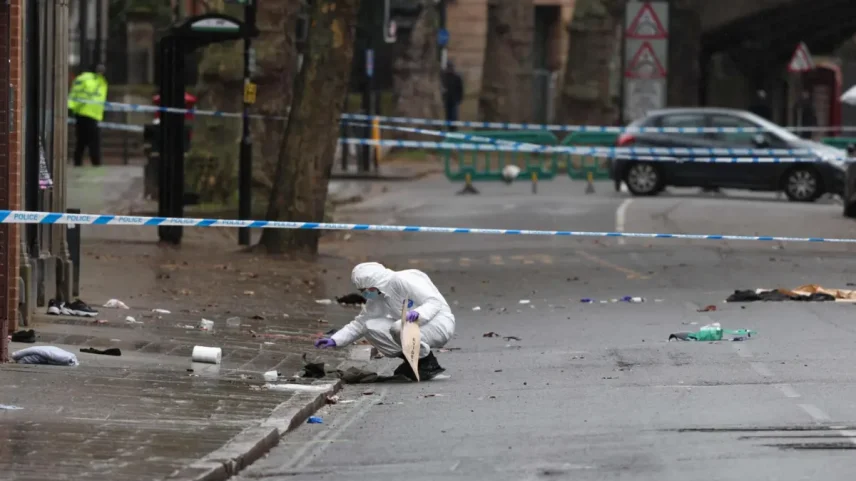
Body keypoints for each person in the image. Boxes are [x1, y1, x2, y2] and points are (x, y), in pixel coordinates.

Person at [314, 262, 455, 381]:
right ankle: (413, 360)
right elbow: (360, 323)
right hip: (415, 327)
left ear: (374, 283)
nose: (364, 294)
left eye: (364, 290)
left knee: (398, 327)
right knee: (369, 327)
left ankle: (426, 363)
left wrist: (418, 313)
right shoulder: (380, 295)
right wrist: (335, 340)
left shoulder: (403, 280)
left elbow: (434, 302)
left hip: (440, 323)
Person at [68, 64, 108, 166]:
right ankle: (96, 163)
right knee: (93, 141)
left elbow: (75, 93)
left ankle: (78, 162)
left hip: (82, 113)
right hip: (91, 113)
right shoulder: (98, 80)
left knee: (81, 141)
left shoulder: (82, 79)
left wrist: (71, 108)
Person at [442, 61, 464, 132]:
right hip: (447, 99)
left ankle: (454, 129)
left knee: (454, 115)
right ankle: (449, 128)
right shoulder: (444, 77)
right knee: (448, 115)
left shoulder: (457, 77)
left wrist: (459, 98)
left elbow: (460, 89)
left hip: (454, 99)